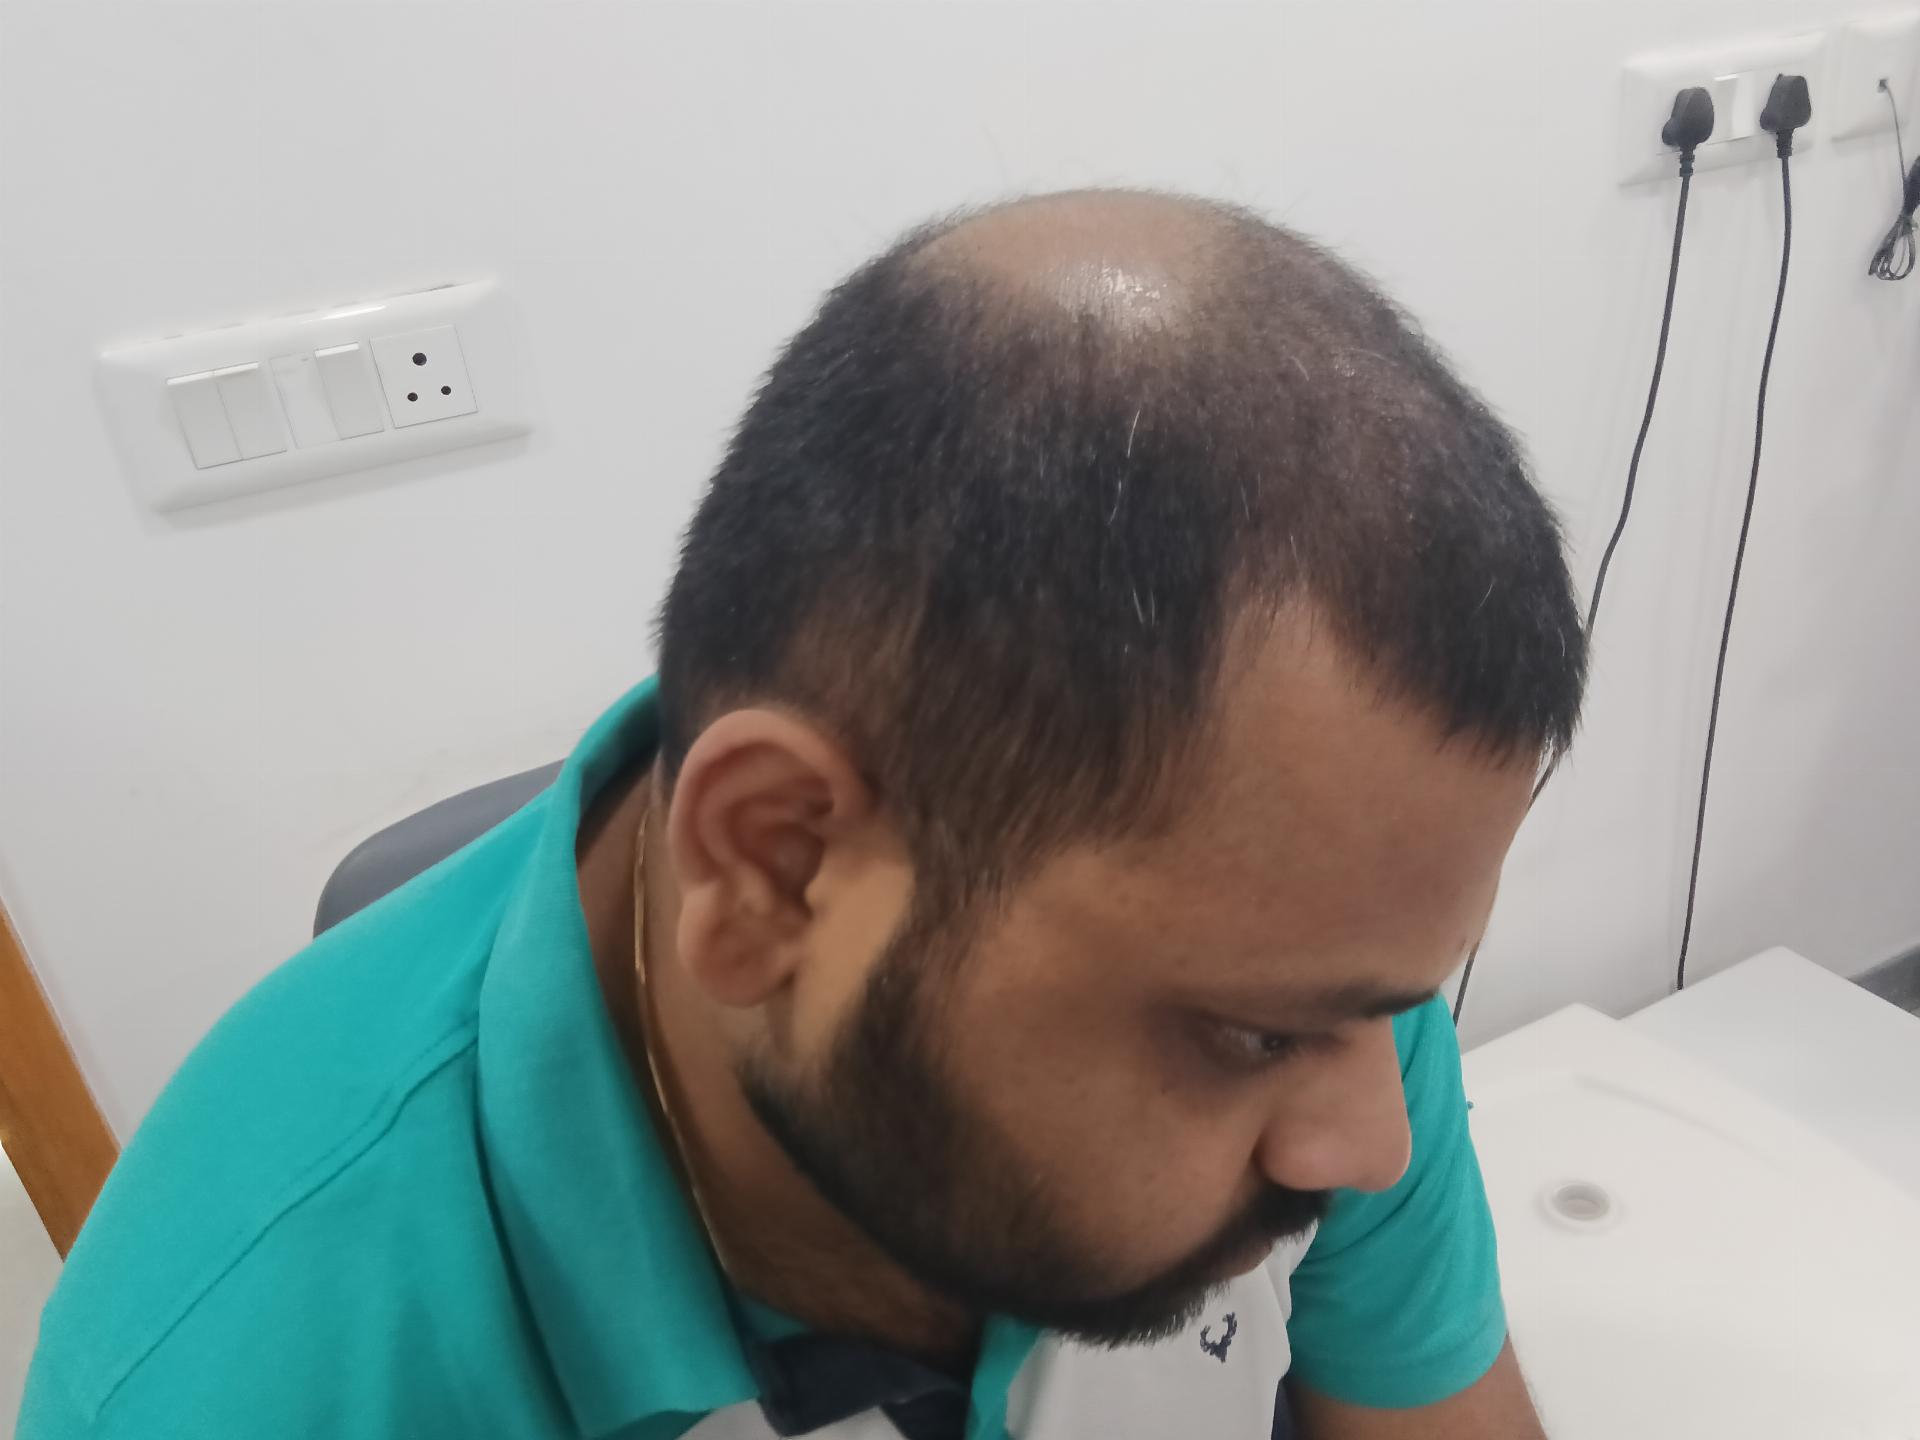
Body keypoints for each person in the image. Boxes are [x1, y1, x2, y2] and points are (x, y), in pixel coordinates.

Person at [22, 189, 1585, 1439]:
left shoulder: (1318, 974)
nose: (1371, 1146)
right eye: (1250, 1037)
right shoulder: (242, 1376)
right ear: (776, 864)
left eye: (1394, 1008)